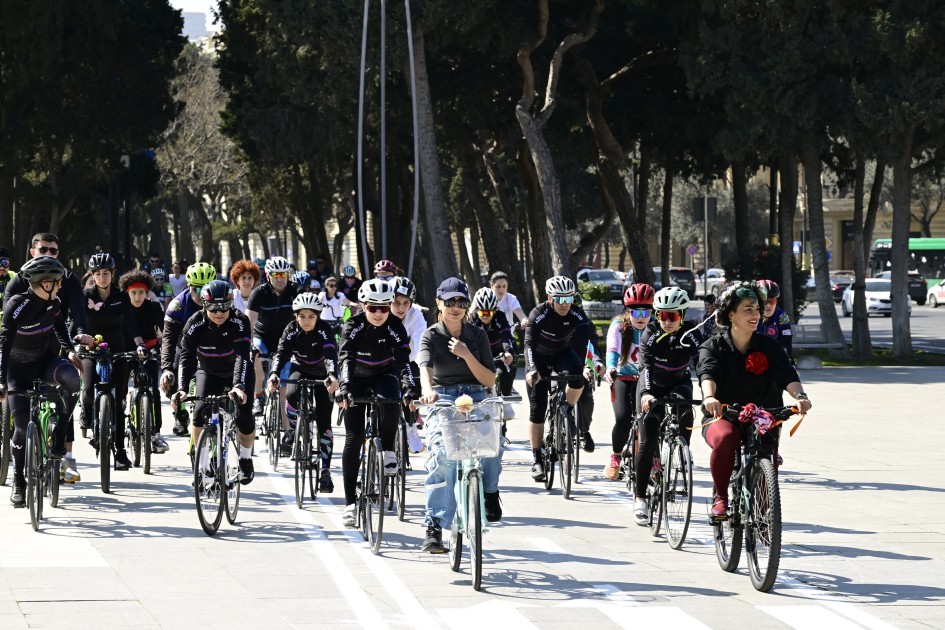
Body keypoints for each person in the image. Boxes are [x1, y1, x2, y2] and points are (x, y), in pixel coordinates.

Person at [699, 281, 812, 518]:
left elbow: (786, 373)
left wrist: (800, 396)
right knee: (727, 437)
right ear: (731, 314)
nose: (755, 315)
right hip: (723, 415)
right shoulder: (713, 346)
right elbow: (707, 373)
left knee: (767, 454)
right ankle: (721, 498)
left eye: (757, 309)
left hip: (764, 415)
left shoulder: (769, 346)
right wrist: (709, 397)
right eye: (748, 309)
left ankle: (764, 516)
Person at [417, 278, 503, 553]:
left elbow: (489, 378)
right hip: (442, 395)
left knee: (492, 444)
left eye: (461, 302)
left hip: (476, 393)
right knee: (442, 455)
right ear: (439, 304)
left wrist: (466, 355)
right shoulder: (431, 334)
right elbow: (425, 367)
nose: (455, 307)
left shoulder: (477, 335)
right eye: (449, 302)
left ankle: (489, 493)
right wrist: (428, 392)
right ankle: (433, 526)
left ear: (468, 306)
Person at [0, 257, 90, 504]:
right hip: (17, 369)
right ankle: (18, 481)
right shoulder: (17, 305)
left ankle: (60, 430)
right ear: (44, 283)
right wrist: (1, 380)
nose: (60, 286)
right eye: (57, 282)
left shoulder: (55, 302)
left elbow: (60, 327)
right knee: (20, 429)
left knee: (72, 378)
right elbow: (4, 343)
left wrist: (70, 351)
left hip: (43, 360)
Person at [336, 278, 417, 528]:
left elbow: (403, 362)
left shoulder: (396, 327)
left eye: (384, 307)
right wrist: (345, 389)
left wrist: (409, 388)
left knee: (391, 398)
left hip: (384, 374)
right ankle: (350, 504)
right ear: (363, 306)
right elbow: (346, 359)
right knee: (353, 437)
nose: (379, 313)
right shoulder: (353, 326)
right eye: (373, 308)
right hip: (356, 379)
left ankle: (389, 451)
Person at [174, 280, 256, 485]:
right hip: (208, 371)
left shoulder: (240, 321)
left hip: (237, 371)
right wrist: (182, 389)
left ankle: (245, 459)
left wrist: (238, 385)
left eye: (224, 307)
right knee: (199, 411)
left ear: (231, 304)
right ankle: (201, 468)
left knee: (245, 418)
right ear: (204, 305)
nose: (219, 312)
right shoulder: (194, 323)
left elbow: (242, 356)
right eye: (213, 307)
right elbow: (186, 358)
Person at [634, 286, 703, 525]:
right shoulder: (650, 333)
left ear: (682, 315)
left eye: (672, 315)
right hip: (652, 384)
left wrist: (712, 392)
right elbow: (645, 367)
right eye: (662, 315)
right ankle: (641, 498)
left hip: (678, 382)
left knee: (686, 404)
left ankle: (684, 447)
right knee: (647, 440)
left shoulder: (692, 333)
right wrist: (646, 393)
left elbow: (703, 364)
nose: (667, 321)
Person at [80, 253, 147, 471]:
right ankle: (87, 410)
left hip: (118, 351)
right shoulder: (86, 295)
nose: (102, 277)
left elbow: (130, 323)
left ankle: (120, 451)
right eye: (97, 274)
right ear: (93, 275)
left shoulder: (120, 296)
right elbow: (79, 322)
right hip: (91, 351)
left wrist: (139, 345)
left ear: (112, 274)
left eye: (106, 273)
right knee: (88, 389)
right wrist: (79, 338)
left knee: (117, 403)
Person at [267, 292, 340, 492]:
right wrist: (273, 374)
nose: (306, 321)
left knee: (325, 420)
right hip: (299, 367)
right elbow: (281, 353)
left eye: (311, 316)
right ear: (296, 316)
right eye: (302, 317)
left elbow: (331, 353)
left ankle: (325, 471)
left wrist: (333, 376)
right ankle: (292, 429)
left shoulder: (325, 330)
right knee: (290, 395)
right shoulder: (290, 330)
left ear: (318, 316)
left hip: (323, 372)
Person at [523, 276, 590, 482]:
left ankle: (567, 408)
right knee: (537, 409)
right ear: (550, 297)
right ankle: (536, 459)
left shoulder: (577, 313)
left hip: (562, 353)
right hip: (539, 357)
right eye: (559, 298)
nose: (564, 303)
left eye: (568, 298)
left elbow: (588, 340)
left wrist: (589, 364)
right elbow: (528, 345)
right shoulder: (538, 314)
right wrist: (532, 369)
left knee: (578, 376)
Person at [159, 262, 218, 436]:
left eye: (207, 289)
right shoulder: (177, 306)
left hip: (211, 346)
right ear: (188, 286)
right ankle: (180, 413)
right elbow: (168, 340)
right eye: (197, 289)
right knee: (172, 374)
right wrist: (166, 369)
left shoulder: (220, 302)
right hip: (183, 346)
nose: (202, 295)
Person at [602, 284, 654, 480]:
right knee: (623, 419)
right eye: (635, 312)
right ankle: (616, 456)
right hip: (623, 377)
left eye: (645, 311)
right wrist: (611, 368)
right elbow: (612, 350)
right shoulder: (618, 326)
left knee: (652, 420)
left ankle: (654, 458)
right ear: (628, 311)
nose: (641, 317)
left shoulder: (656, 326)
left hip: (647, 380)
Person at [118, 269, 168, 454]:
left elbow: (163, 328)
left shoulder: (154, 307)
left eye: (141, 292)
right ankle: (119, 415)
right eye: (133, 292)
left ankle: (155, 434)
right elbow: (124, 328)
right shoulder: (123, 308)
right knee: (122, 384)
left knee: (153, 390)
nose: (137, 296)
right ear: (127, 293)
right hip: (128, 348)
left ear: (147, 293)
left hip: (150, 349)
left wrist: (167, 345)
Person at [2, 233, 89, 340]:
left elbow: (78, 309)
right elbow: (7, 316)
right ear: (32, 252)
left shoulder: (69, 278)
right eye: (43, 250)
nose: (48, 254)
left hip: (57, 341)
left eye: (53, 251)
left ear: (57, 254)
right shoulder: (18, 280)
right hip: (23, 342)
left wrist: (82, 332)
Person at [246, 256, 299, 415]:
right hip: (262, 336)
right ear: (268, 276)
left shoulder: (295, 290)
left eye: (284, 274)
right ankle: (258, 396)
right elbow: (249, 323)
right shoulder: (258, 293)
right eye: (277, 275)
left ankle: (286, 429)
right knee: (254, 355)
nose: (281, 278)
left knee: (284, 385)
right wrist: (249, 345)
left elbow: (304, 317)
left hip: (286, 339)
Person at [389, 276, 427, 453]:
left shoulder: (416, 315)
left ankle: (411, 427)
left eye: (406, 303)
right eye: (396, 303)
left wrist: (425, 370)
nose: (401, 308)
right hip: (384, 361)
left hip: (408, 361)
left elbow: (421, 345)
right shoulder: (380, 312)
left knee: (412, 391)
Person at [470, 287, 516, 405]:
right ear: (477, 309)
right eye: (482, 312)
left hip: (498, 352)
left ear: (495, 310)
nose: (485, 315)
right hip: (479, 354)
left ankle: (506, 398)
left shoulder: (500, 316)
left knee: (504, 371)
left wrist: (508, 352)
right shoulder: (471, 319)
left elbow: (507, 336)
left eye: (488, 312)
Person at [756, 279, 793, 360]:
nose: (768, 305)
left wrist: (790, 364)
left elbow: (786, 342)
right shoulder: (748, 316)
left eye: (772, 301)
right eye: (764, 301)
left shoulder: (781, 315)